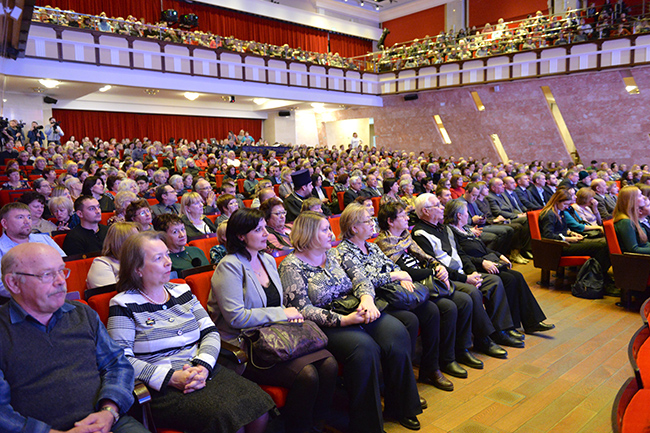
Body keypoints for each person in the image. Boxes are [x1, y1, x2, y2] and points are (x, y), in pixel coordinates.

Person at [107, 231, 275, 433]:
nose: (168, 262)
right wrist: (172, 377)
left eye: (167, 254)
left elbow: (210, 332)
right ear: (137, 269)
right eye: (158, 258)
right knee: (230, 420)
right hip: (162, 386)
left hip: (202, 371)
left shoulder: (181, 291)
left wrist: (203, 366)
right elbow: (122, 359)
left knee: (259, 405)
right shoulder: (123, 304)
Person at [279, 211, 423, 433]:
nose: (331, 233)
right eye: (325, 230)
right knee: (364, 349)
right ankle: (367, 426)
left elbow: (361, 279)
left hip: (356, 307)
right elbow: (302, 309)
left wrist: (367, 300)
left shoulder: (334, 254)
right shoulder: (291, 266)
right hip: (327, 322)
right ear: (308, 234)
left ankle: (400, 406)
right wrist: (344, 321)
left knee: (396, 332)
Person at [209, 208, 337, 433]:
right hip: (245, 345)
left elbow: (277, 303)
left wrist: (286, 314)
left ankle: (317, 424)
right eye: (258, 230)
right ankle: (297, 429)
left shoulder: (267, 259)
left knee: (329, 364)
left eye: (264, 228)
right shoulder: (229, 266)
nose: (266, 234)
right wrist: (282, 314)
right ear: (241, 236)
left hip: (275, 337)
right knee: (307, 374)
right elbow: (236, 317)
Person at [0, 242, 149, 433]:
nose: (60, 281)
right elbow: (3, 414)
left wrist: (109, 410)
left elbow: (116, 364)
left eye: (62, 271)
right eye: (47, 274)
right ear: (13, 283)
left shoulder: (81, 313)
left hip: (106, 421)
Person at [337, 204, 476, 391]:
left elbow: (392, 265)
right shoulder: (345, 251)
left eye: (372, 220)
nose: (372, 224)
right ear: (354, 227)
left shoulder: (372, 246)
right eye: (368, 221)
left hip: (396, 292)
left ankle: (431, 368)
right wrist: (395, 276)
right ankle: (403, 380)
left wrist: (400, 275)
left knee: (432, 310)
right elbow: (362, 279)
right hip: (377, 298)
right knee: (410, 320)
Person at [377, 198, 515, 358]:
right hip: (420, 284)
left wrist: (441, 267)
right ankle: (471, 345)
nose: (408, 218)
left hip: (437, 276)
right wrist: (438, 271)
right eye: (403, 216)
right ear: (390, 221)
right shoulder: (388, 243)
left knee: (500, 280)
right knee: (467, 296)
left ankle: (499, 332)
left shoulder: (406, 236)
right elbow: (407, 271)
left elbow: (431, 258)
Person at [444, 199, 555, 334]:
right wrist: (482, 262)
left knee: (517, 276)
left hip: (487, 262)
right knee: (509, 279)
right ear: (459, 215)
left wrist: (500, 255)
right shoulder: (451, 232)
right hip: (475, 266)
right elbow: (461, 256)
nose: (468, 215)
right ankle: (511, 325)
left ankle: (533, 321)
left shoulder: (466, 229)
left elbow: (483, 248)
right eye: (466, 212)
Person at [539, 188, 612, 282]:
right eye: (565, 204)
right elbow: (548, 235)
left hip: (563, 242)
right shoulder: (549, 214)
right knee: (602, 245)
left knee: (605, 243)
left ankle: (597, 275)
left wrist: (571, 233)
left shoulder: (560, 211)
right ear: (557, 201)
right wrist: (568, 239)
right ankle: (596, 277)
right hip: (558, 246)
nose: (567, 207)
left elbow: (562, 229)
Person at [0, 202, 66, 300]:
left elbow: (65, 264)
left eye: (29, 217)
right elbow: (2, 286)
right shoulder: (1, 249)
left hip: (57, 292)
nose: (27, 221)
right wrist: (38, 290)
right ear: (5, 223)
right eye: (20, 217)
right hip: (21, 301)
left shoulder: (44, 239)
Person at [86, 221, 140, 289]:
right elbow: (111, 293)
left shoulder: (138, 261)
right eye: (136, 240)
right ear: (122, 243)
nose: (141, 244)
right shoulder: (102, 264)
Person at [613, 185, 650, 254]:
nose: (643, 197)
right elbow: (633, 249)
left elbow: (644, 243)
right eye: (640, 195)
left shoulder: (633, 218)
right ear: (631, 200)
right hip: (635, 259)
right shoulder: (626, 222)